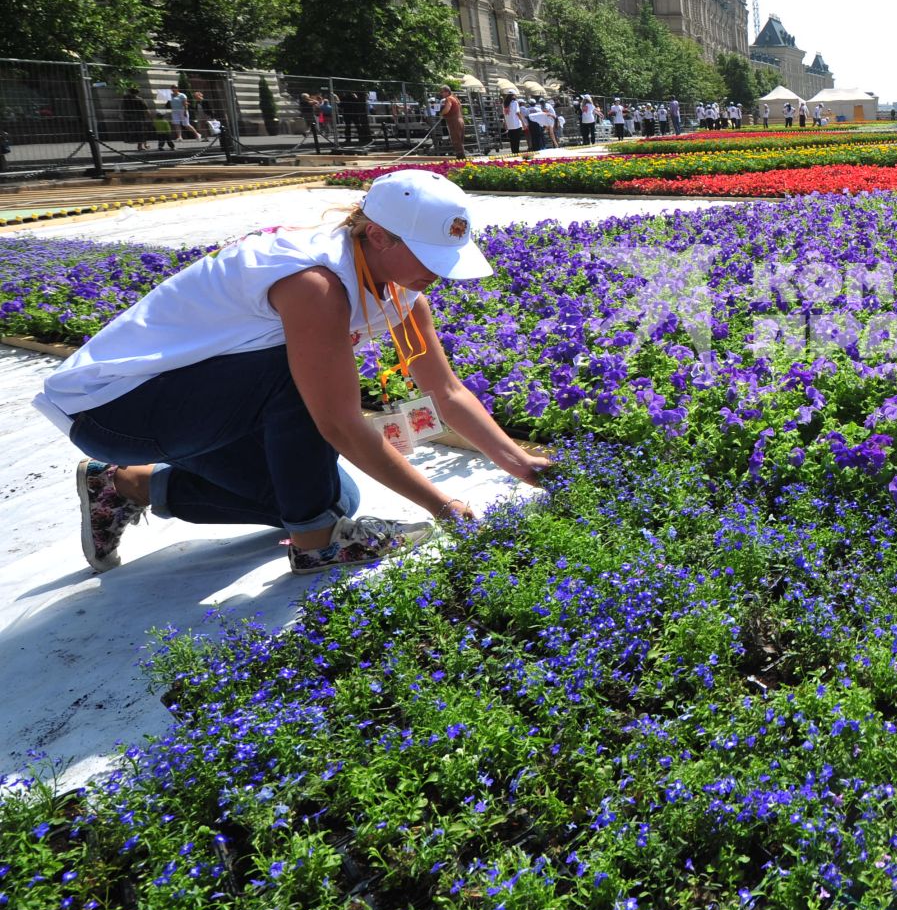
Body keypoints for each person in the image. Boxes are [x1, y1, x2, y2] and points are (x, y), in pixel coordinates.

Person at [38, 169, 550, 576]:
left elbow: (444, 389)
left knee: (334, 498)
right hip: (116, 408)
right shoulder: (315, 282)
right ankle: (317, 548)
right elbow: (339, 421)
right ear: (378, 235)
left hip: (188, 404)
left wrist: (521, 462)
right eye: (430, 255)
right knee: (302, 396)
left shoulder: (401, 291)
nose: (440, 272)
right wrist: (444, 507)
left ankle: (124, 486)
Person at [434, 86, 468, 159]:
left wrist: (441, 113)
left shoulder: (448, 98)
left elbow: (447, 108)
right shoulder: (455, 98)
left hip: (454, 121)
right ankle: (461, 157)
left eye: (442, 92)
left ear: (447, 92)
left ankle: (461, 158)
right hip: (460, 120)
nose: (441, 94)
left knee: (456, 140)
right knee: (460, 140)